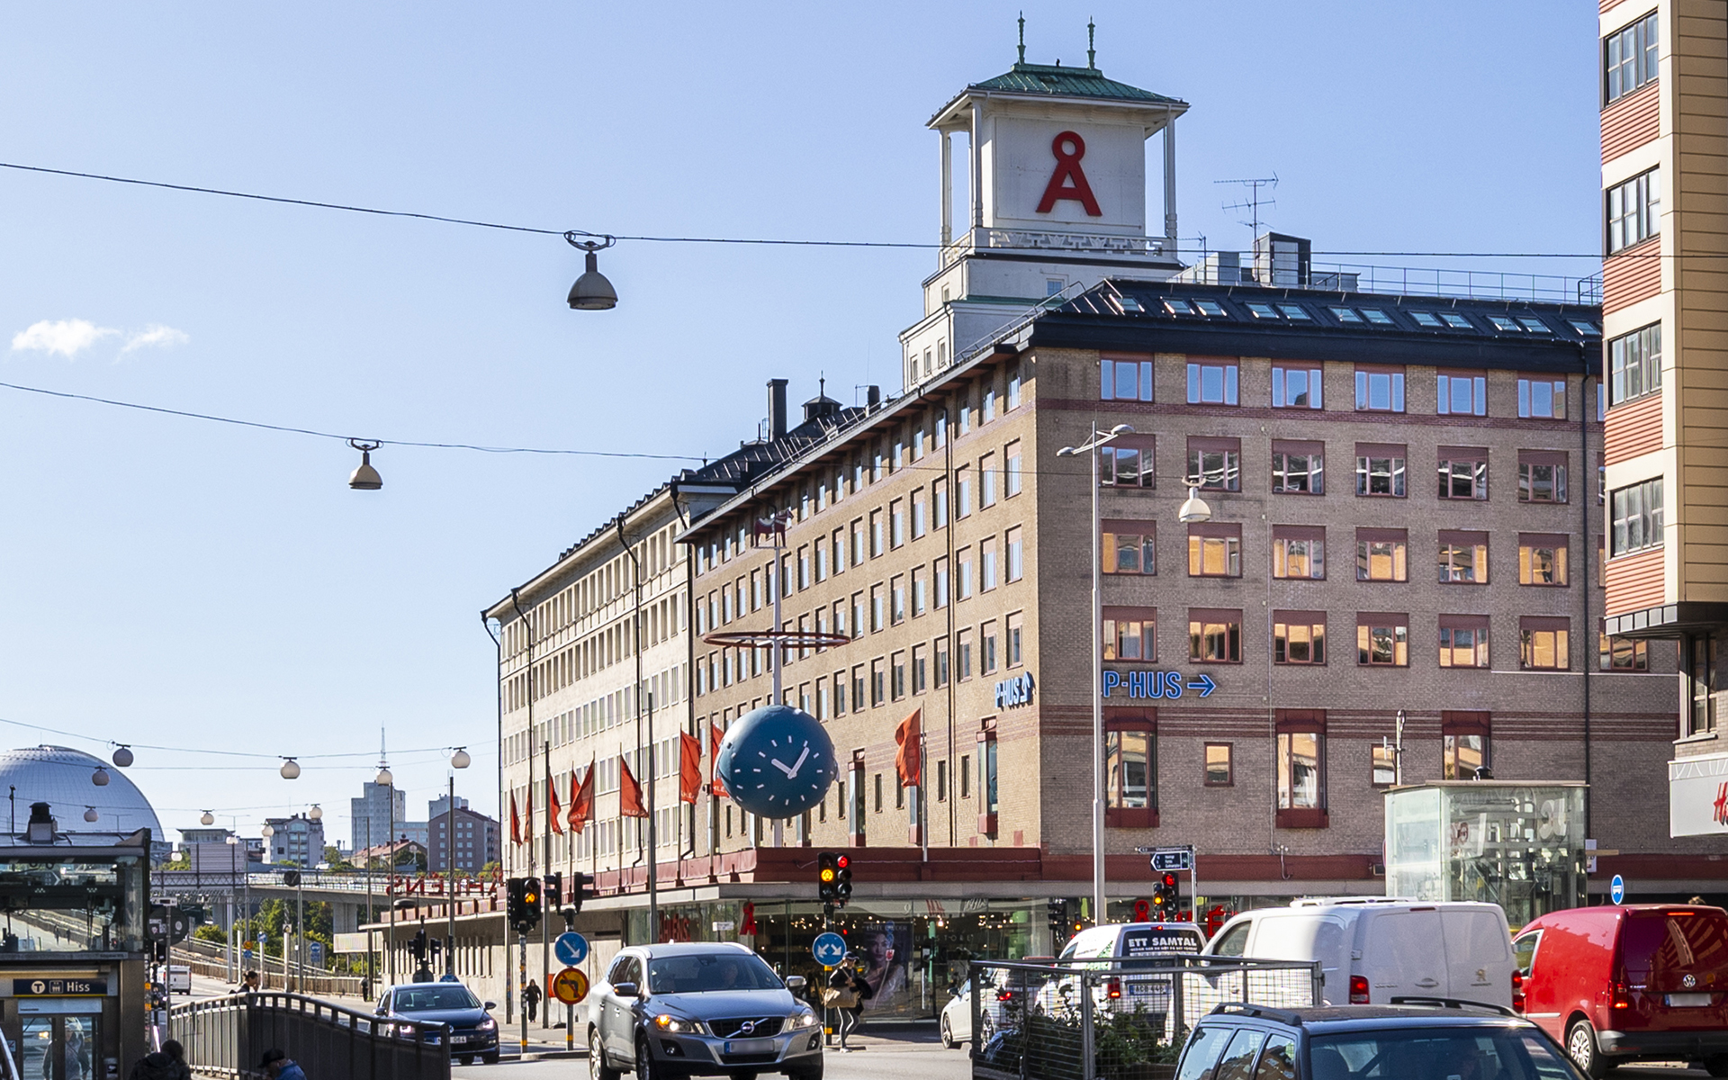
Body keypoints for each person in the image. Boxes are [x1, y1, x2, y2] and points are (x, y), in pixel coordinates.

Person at [825, 954, 871, 1051]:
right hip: (842, 997)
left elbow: (857, 980)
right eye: (850, 960)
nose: (852, 962)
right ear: (844, 960)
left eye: (853, 960)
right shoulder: (840, 971)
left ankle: (842, 1038)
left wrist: (856, 985)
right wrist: (845, 983)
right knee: (845, 1020)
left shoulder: (853, 971)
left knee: (856, 1020)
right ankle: (843, 1045)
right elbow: (831, 983)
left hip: (851, 997)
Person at [856, 927, 906, 1010]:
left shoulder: (897, 970)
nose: (879, 949)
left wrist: (856, 1002)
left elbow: (882, 998)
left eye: (884, 945)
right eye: (874, 944)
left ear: (890, 948)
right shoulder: (866, 969)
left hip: (887, 1012)